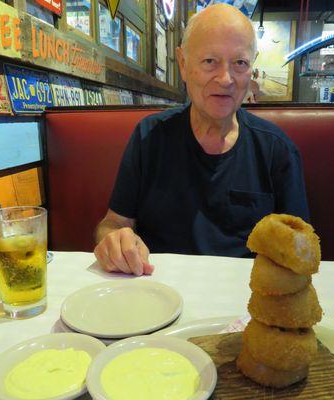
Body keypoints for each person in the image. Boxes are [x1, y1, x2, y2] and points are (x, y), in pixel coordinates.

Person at [94, 4, 309, 276]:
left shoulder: (277, 150)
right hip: (156, 291)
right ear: (183, 64)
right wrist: (115, 240)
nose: (226, 79)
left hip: (245, 302)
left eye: (239, 63)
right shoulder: (149, 136)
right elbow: (112, 223)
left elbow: (300, 246)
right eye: (210, 61)